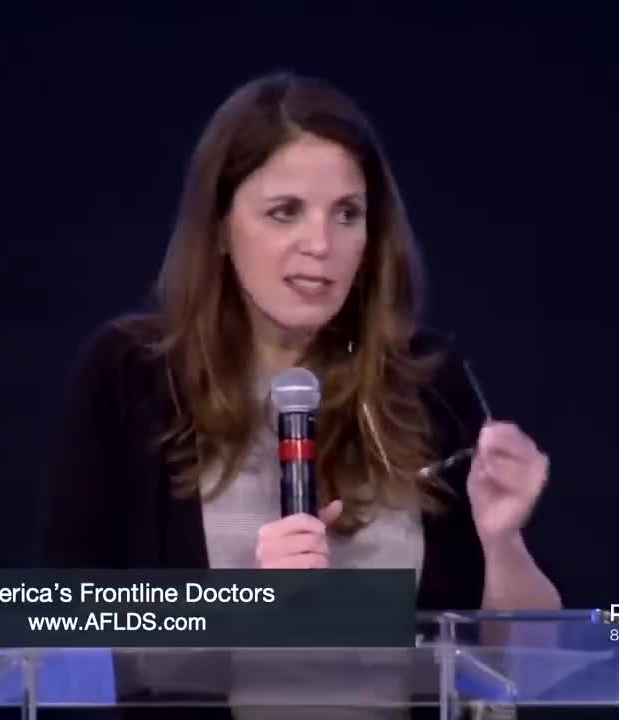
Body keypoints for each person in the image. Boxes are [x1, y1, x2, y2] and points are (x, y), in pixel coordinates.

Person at [36, 71, 561, 718]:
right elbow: (63, 635)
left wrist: (503, 543)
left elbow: (531, 665)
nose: (321, 245)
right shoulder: (131, 375)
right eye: (285, 212)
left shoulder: (429, 384)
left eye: (347, 214)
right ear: (220, 227)